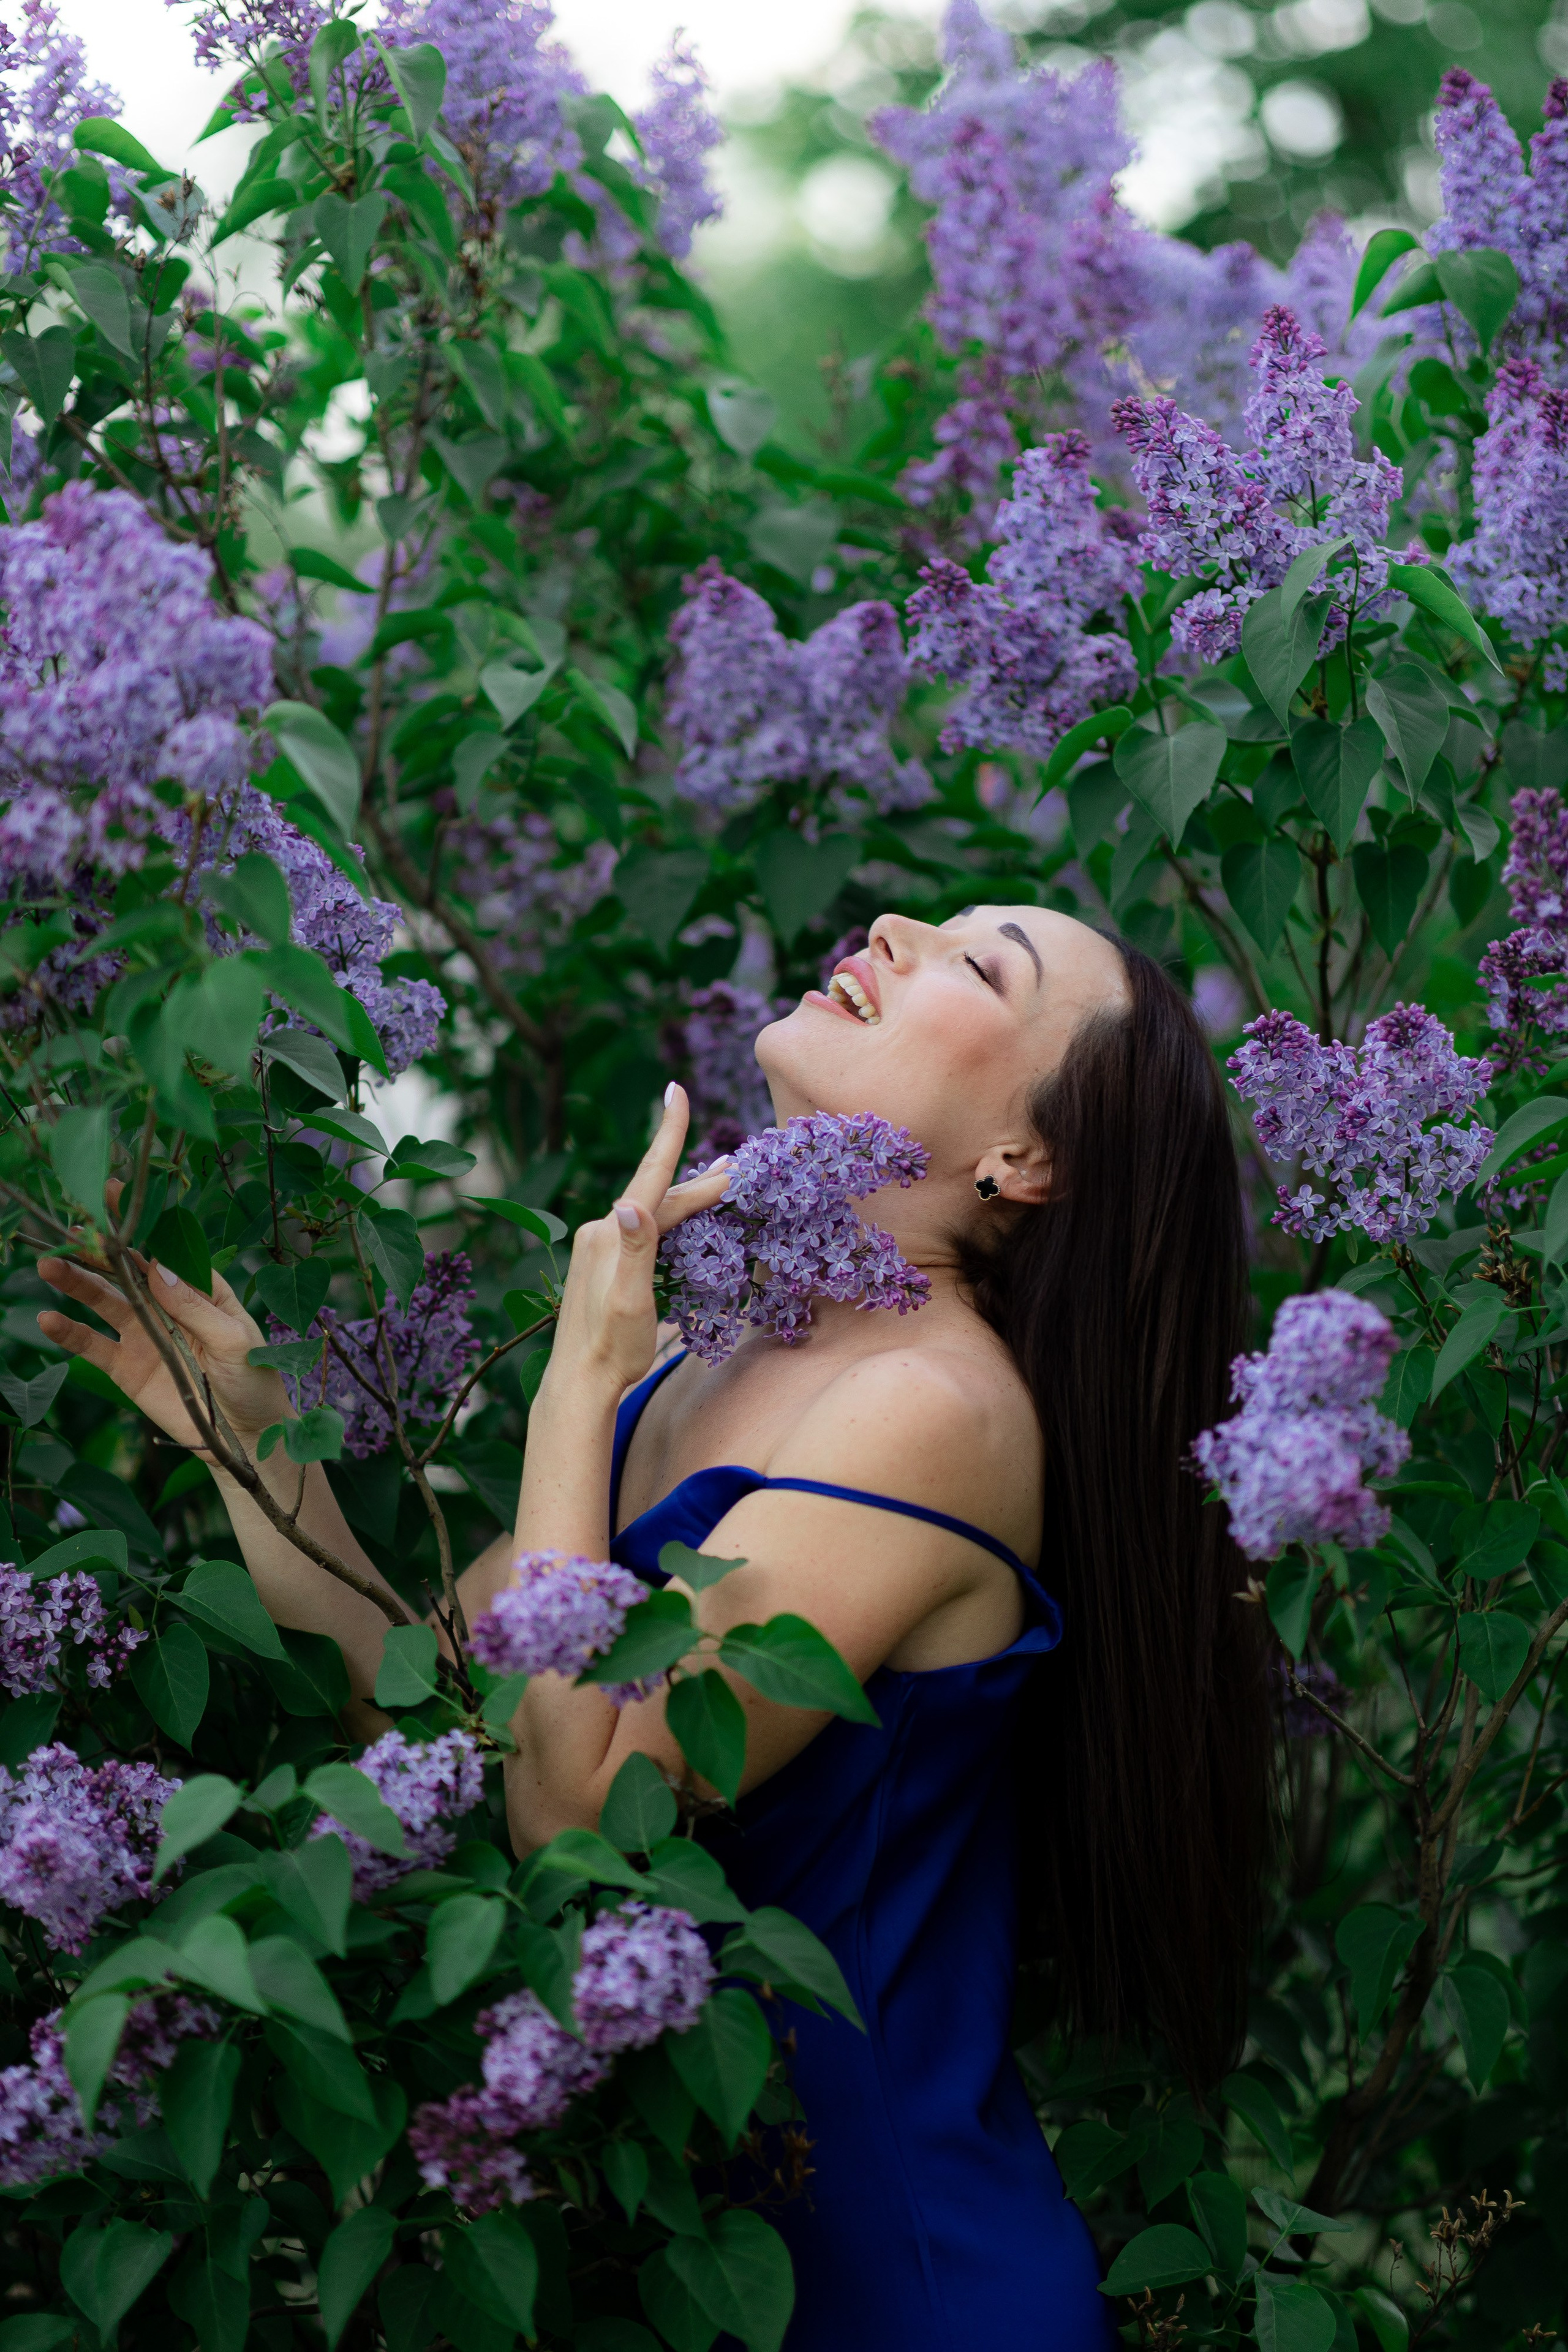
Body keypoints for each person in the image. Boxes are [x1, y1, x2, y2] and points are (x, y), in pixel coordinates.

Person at [38, 905, 1270, 2352]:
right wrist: (255, 1451)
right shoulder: (724, 1343)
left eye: (981, 964)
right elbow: (438, 1709)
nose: (895, 926)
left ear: (1024, 1160)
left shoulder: (933, 1411)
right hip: (678, 2266)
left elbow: (573, 1828)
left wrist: (577, 1381)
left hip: (899, 2287)